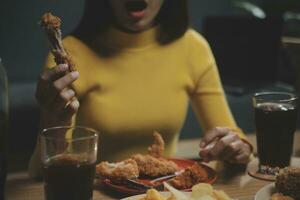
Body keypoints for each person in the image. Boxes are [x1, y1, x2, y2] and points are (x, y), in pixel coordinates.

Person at [29, 0, 252, 178]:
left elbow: (231, 136)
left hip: (163, 191)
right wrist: (53, 119)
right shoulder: (67, 58)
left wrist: (237, 148)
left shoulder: (194, 48)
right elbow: (41, 175)